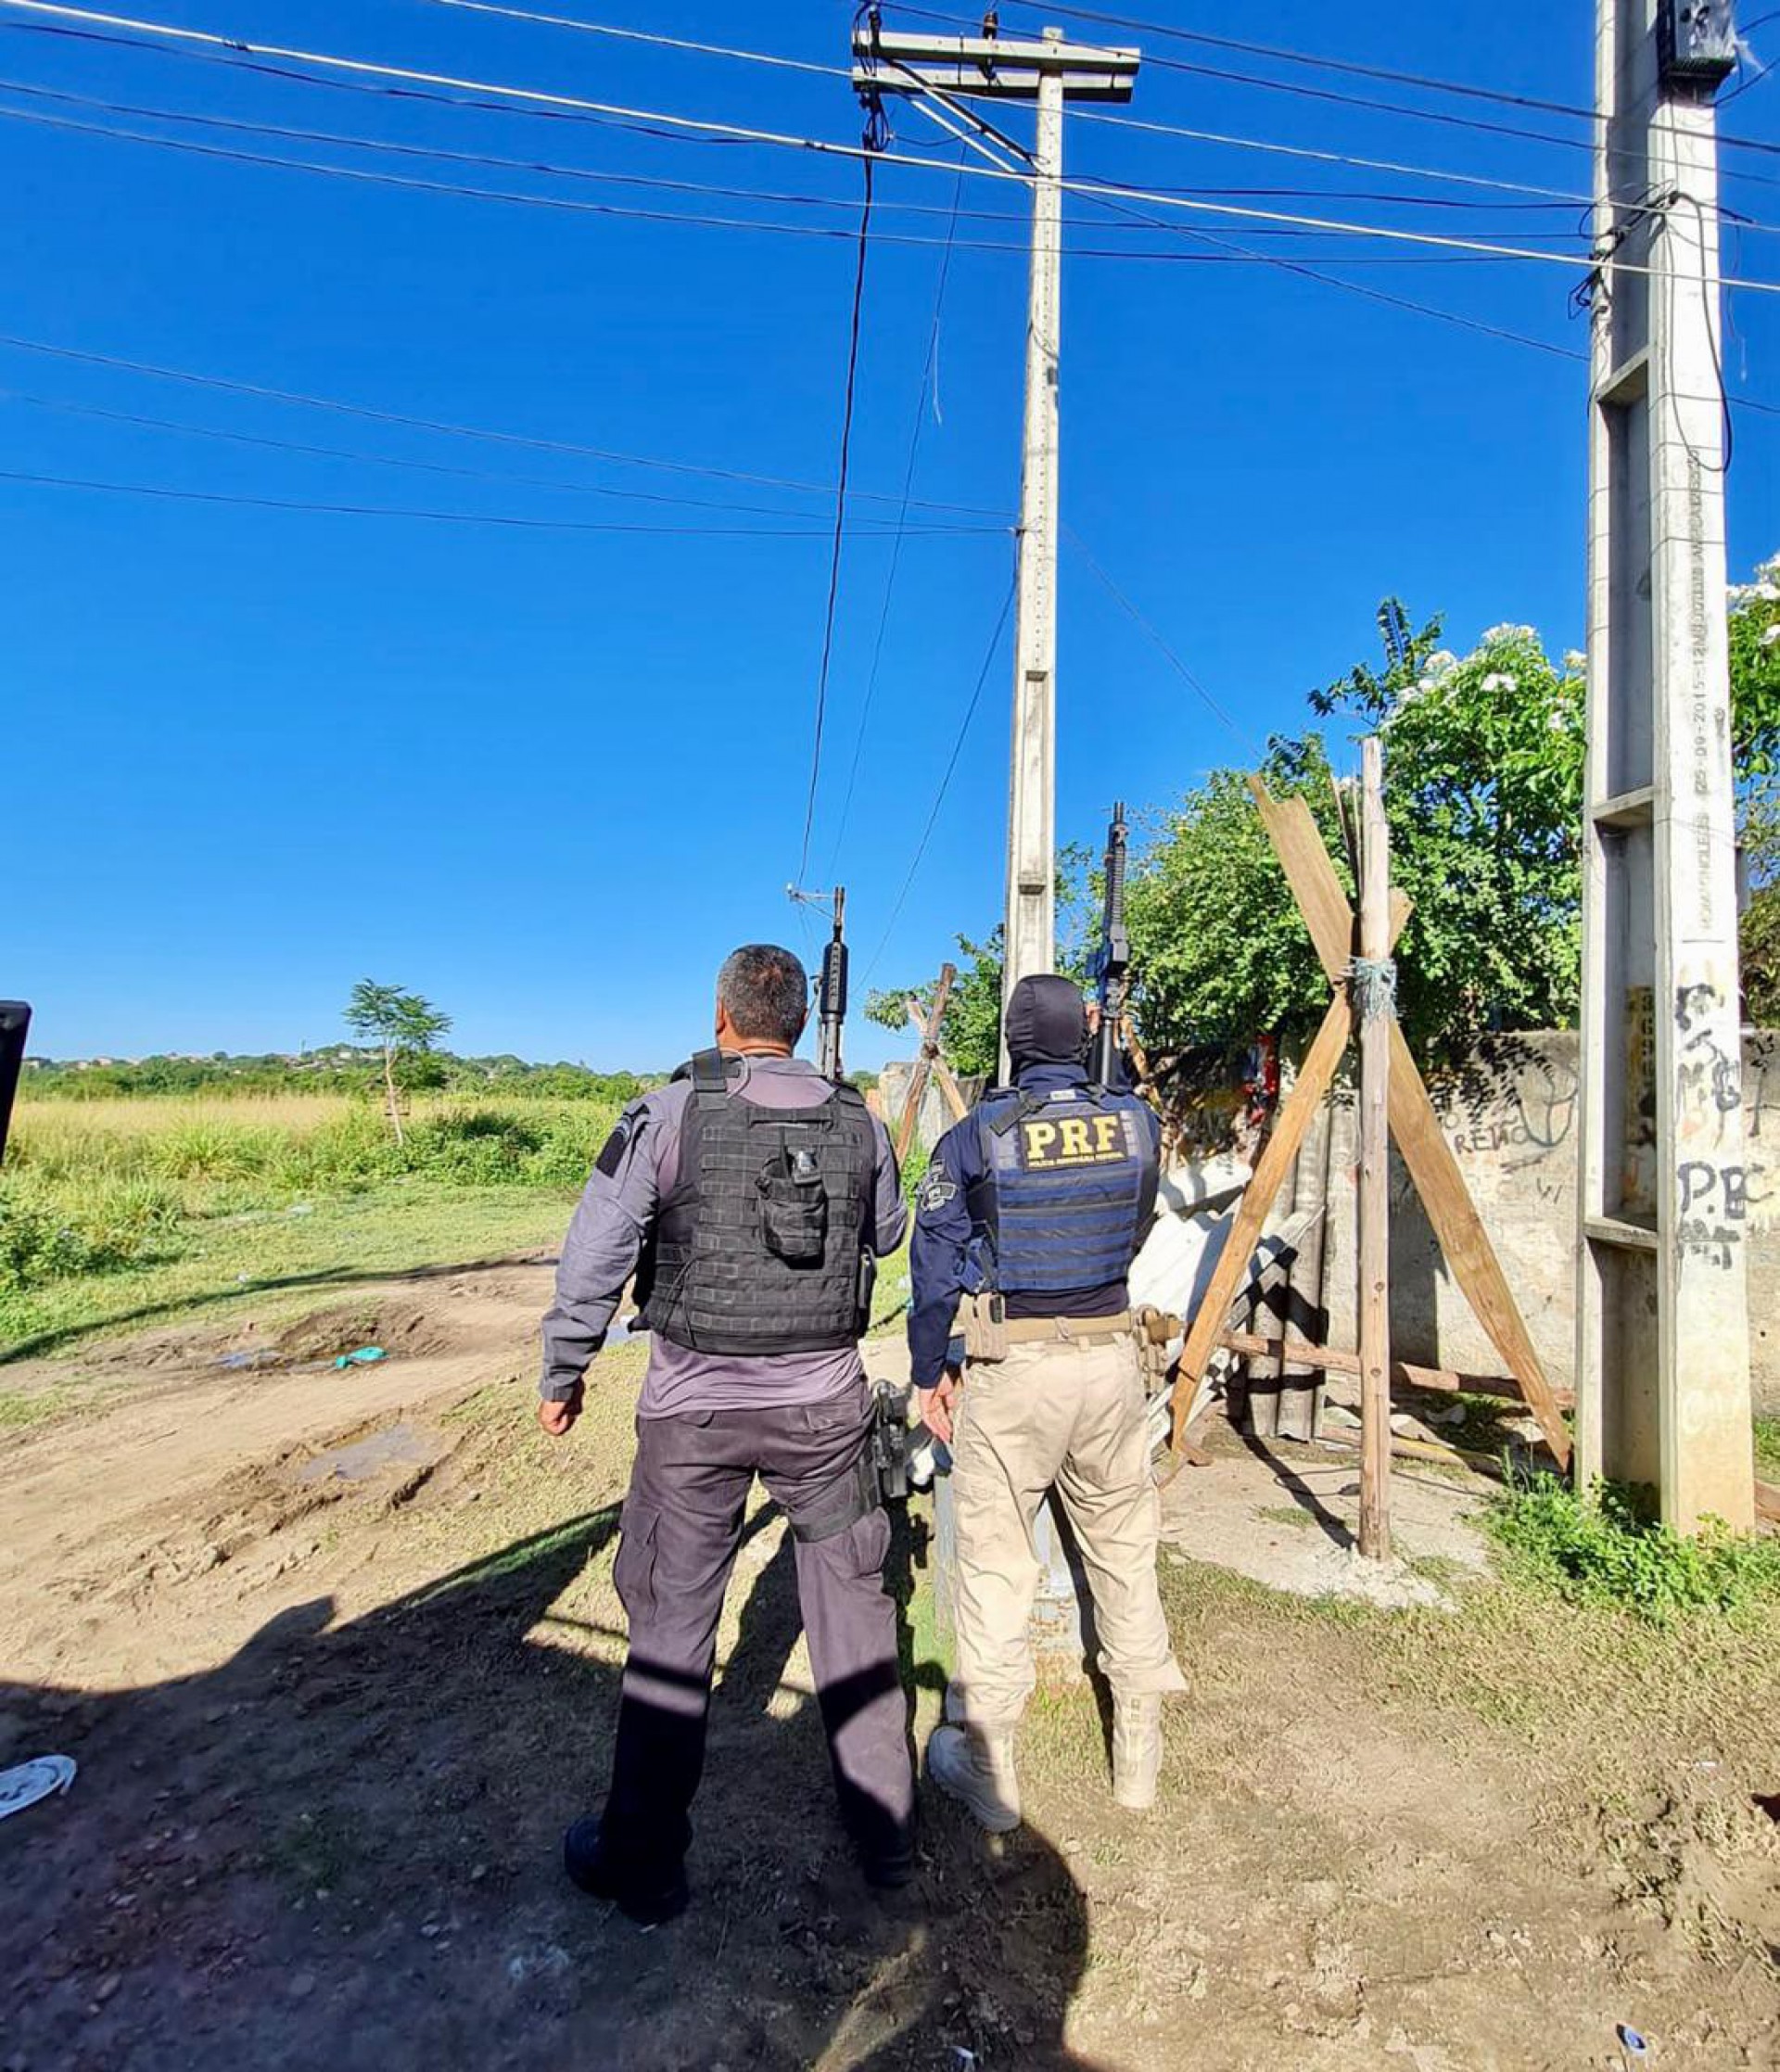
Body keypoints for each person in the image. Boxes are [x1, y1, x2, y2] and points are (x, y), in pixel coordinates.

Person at [536, 943, 913, 1925]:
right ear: (793, 1020)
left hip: (693, 1417)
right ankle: (888, 1841)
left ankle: (647, 1864)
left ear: (722, 1018)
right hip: (824, 1409)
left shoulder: (667, 1112)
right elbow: (886, 1235)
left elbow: (596, 1255)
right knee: (858, 1620)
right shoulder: (857, 1118)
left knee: (670, 1630)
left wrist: (564, 1371)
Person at [908, 973, 1186, 1833]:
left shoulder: (975, 1137)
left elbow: (931, 1268)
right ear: (1080, 1037)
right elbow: (1138, 1223)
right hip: (1111, 1362)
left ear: (1015, 1043)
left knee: (995, 1568)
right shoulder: (1136, 1120)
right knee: (1124, 1550)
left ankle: (990, 1775)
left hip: (1013, 1367)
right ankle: (1138, 1758)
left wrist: (929, 1372)